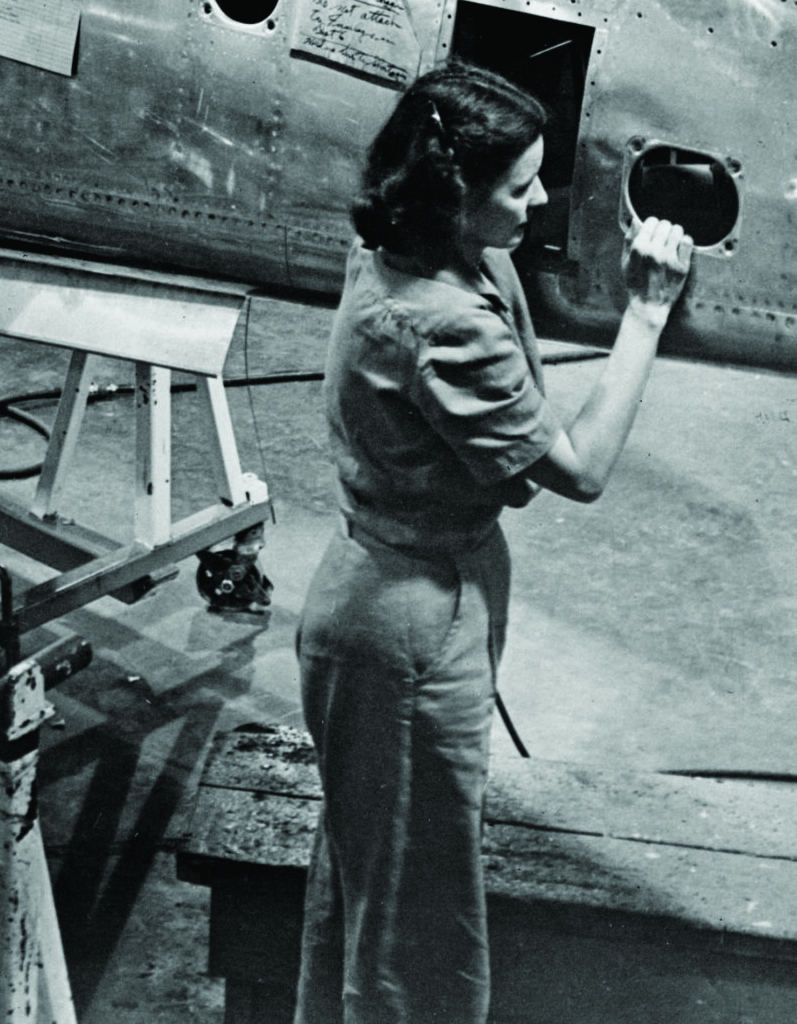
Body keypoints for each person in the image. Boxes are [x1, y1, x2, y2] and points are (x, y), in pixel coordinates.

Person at [295, 65, 695, 1024]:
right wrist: (646, 311)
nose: (543, 200)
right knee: (410, 926)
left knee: (384, 872)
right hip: (404, 624)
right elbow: (581, 466)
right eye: (519, 187)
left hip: (417, 588)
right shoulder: (440, 322)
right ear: (454, 195)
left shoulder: (421, 246)